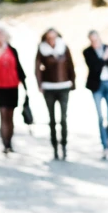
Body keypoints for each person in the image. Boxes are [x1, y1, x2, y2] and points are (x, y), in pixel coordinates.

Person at [82, 30, 108, 157]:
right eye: (92, 41)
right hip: (97, 87)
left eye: (96, 40)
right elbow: (94, 68)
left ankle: (107, 137)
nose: (94, 43)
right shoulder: (88, 52)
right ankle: (105, 145)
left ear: (99, 38)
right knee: (100, 117)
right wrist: (104, 58)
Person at [35, 28, 75, 161]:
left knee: (63, 118)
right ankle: (54, 147)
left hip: (63, 86)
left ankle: (64, 145)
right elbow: (37, 68)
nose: (52, 40)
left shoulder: (64, 47)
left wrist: (73, 82)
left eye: (54, 37)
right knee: (51, 119)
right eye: (49, 38)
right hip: (49, 87)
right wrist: (39, 84)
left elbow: (70, 65)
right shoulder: (42, 49)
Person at [0, 26, 26, 155]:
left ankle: (10, 142)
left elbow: (18, 68)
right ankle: (5, 144)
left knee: (11, 115)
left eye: (3, 35)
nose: (1, 37)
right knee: (3, 114)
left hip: (12, 86)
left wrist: (25, 85)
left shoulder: (13, 50)